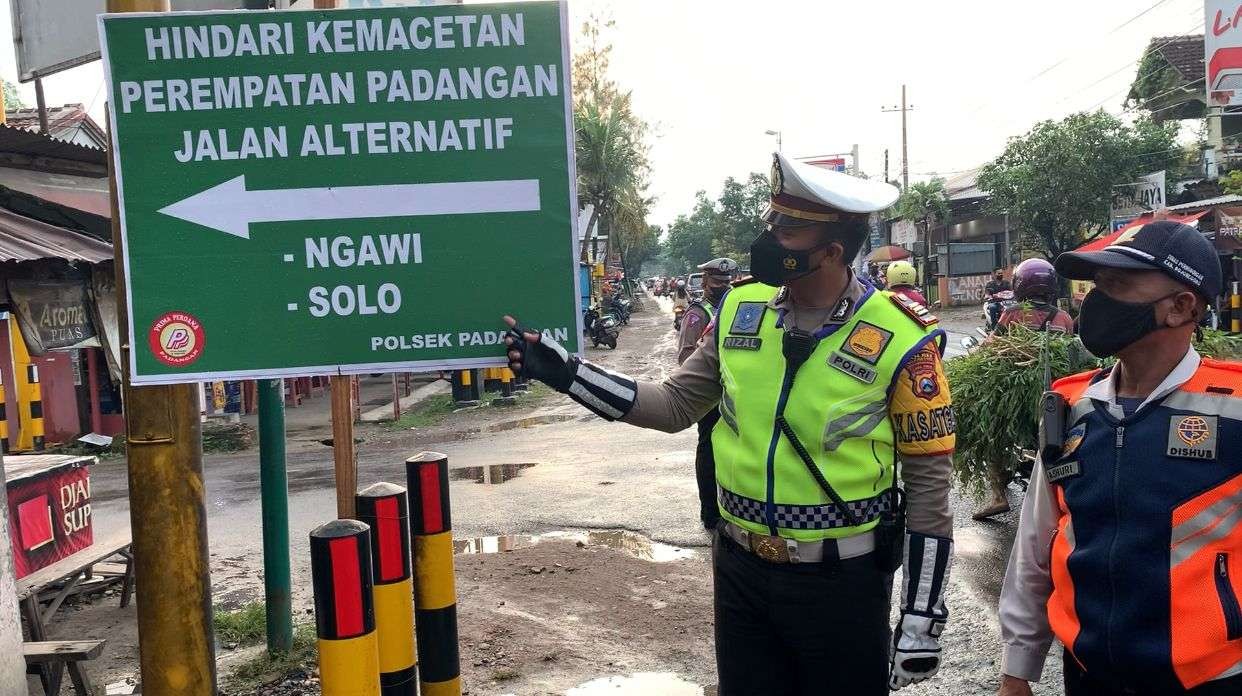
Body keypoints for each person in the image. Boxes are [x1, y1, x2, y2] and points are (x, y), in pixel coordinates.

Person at [503, 152, 956, 694]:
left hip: (843, 585)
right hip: (741, 573)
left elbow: (929, 489)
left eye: (786, 229)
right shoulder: (742, 310)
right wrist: (567, 374)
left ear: (832, 250)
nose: (767, 237)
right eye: (772, 221)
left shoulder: (905, 339)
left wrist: (922, 617)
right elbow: (672, 405)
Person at [998, 220, 1242, 696]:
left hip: (1210, 680)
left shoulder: (1234, 408)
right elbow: (1035, 548)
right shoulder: (1068, 408)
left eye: (1119, 285)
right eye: (1096, 286)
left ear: (1181, 307)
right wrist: (1016, 669)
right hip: (1089, 677)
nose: (1097, 301)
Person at [973, 258, 1075, 521]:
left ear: (1020, 284)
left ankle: (998, 495)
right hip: (1056, 393)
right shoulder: (1064, 317)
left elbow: (991, 345)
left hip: (1016, 392)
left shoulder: (1014, 313)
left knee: (993, 433)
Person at [677, 257, 740, 531]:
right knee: (709, 451)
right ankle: (710, 513)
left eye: (727, 282)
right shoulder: (698, 313)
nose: (724, 286)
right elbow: (686, 354)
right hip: (711, 395)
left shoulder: (737, 308)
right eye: (717, 282)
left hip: (735, 394)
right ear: (705, 282)